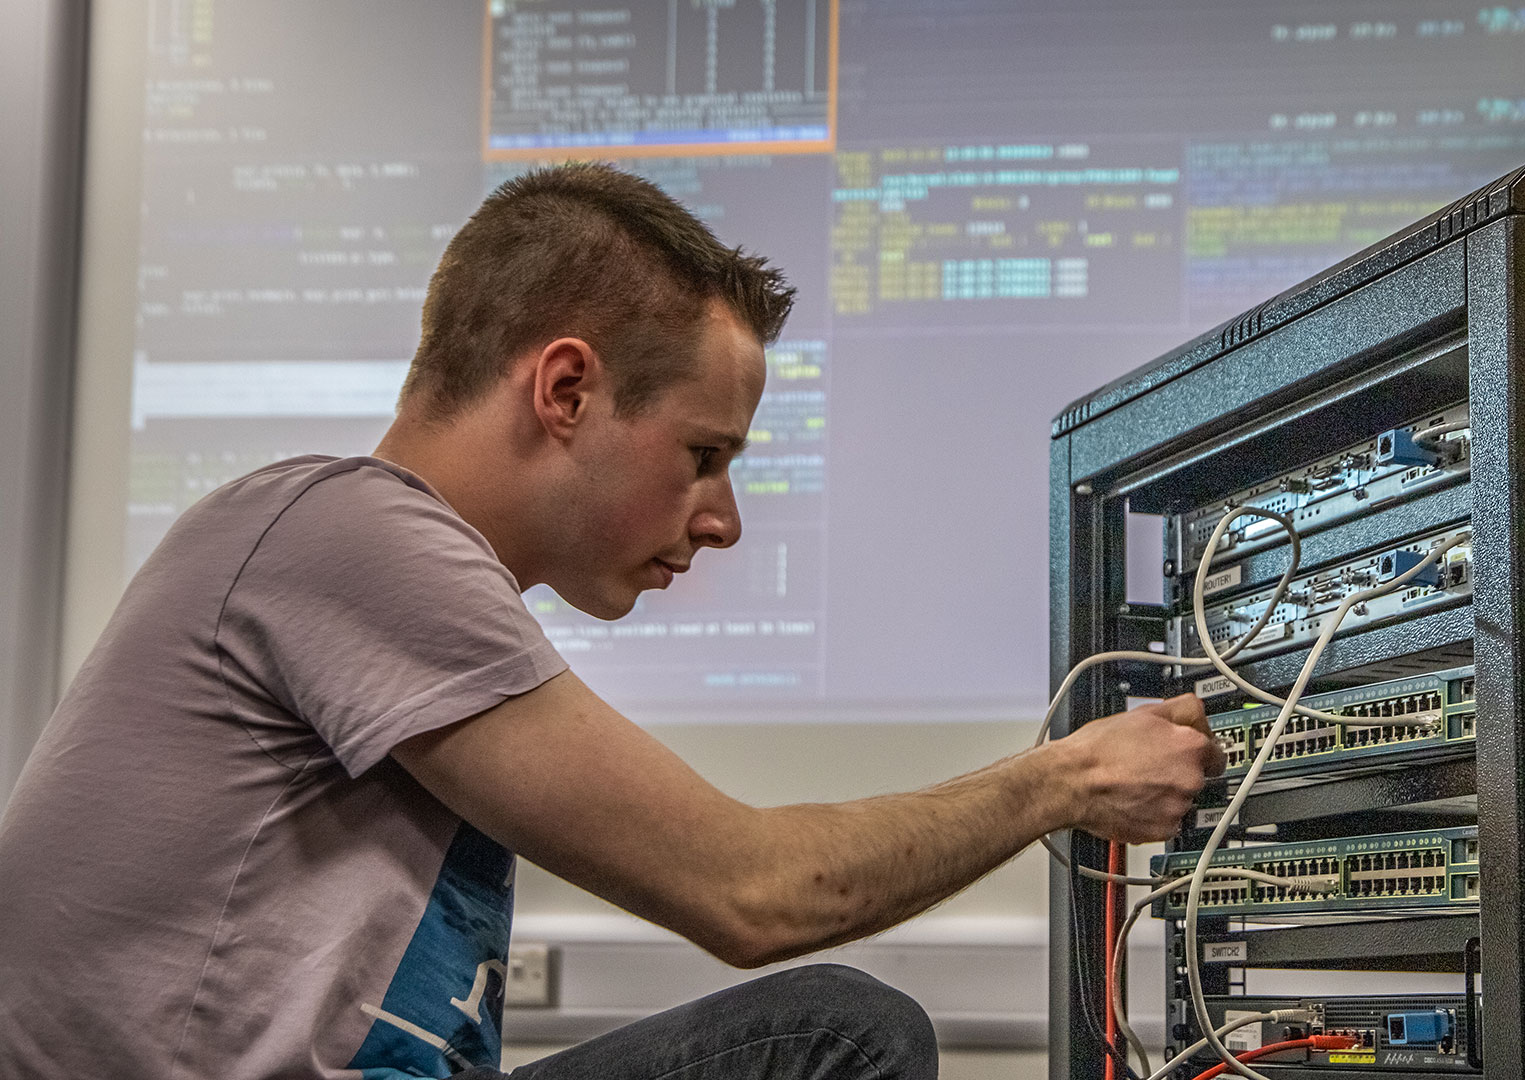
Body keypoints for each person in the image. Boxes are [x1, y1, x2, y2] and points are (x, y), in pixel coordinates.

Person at [0, 162, 1222, 1080]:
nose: (723, 521)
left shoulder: (360, 561)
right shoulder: (349, 531)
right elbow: (755, 892)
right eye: (703, 454)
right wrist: (1063, 781)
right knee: (834, 1041)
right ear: (567, 388)